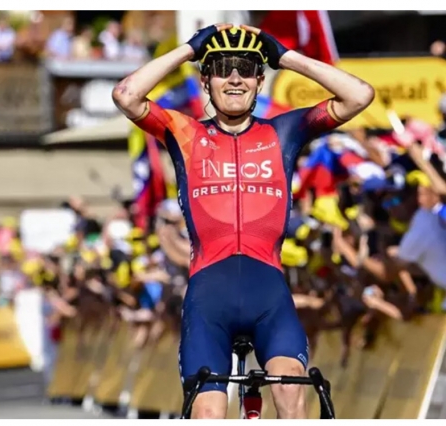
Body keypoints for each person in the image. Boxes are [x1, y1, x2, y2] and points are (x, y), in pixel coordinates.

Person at [112, 23, 374, 419]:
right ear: (206, 80)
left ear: (259, 79)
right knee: (209, 413)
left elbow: (360, 95)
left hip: (268, 293)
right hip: (208, 299)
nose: (234, 77)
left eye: (246, 67)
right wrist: (187, 49)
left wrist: (284, 56)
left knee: (292, 393)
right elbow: (126, 95)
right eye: (222, 67)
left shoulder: (284, 131)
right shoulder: (184, 132)